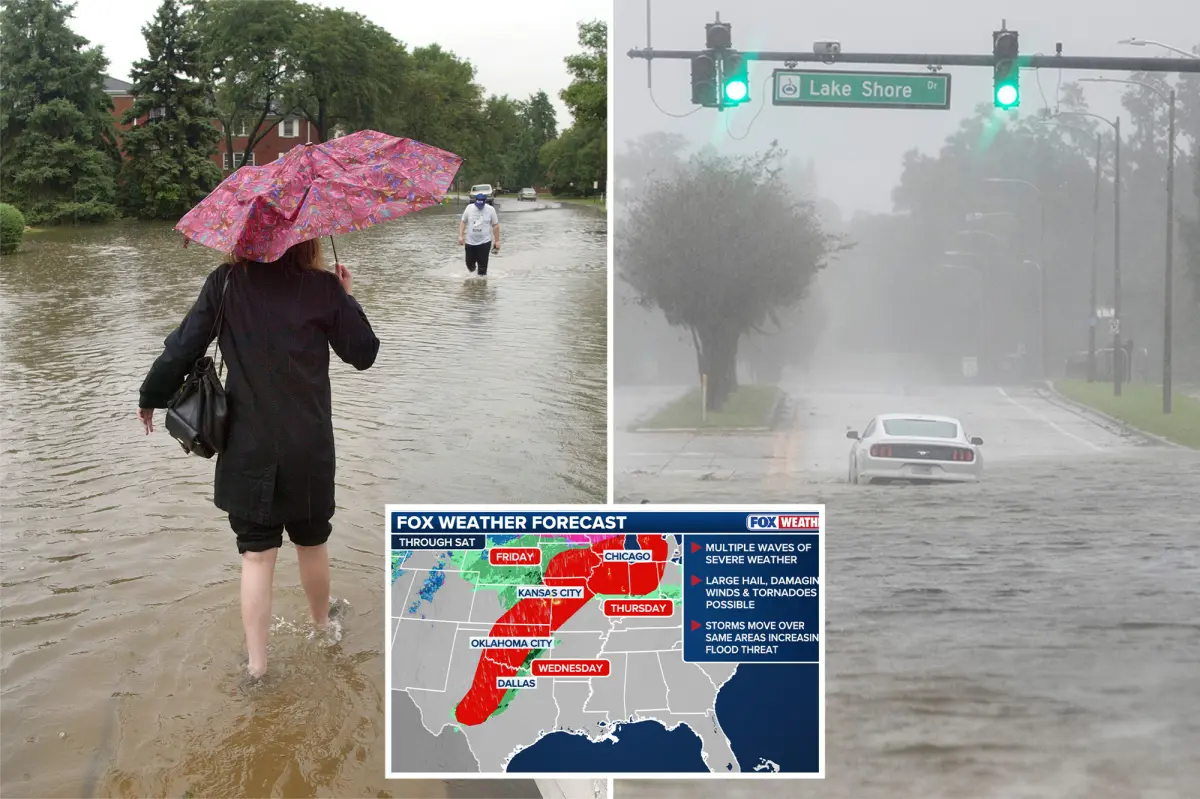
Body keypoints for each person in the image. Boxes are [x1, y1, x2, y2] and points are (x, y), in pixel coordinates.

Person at [136, 238, 379, 680]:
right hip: (309, 446)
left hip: (247, 447)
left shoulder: (226, 283)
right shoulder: (322, 287)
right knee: (312, 542)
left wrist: (150, 395)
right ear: (304, 236)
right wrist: (346, 296)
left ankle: (257, 667)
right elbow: (363, 353)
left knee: (256, 555)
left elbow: (183, 346)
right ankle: (322, 626)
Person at [458, 192, 500, 275]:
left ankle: (480, 286)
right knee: (469, 264)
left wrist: (497, 241)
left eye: (481, 205)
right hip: (470, 242)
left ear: (485, 202)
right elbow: (463, 222)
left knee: (482, 269)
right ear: (475, 201)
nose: (479, 207)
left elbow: (496, 226)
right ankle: (472, 281)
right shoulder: (469, 208)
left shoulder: (490, 210)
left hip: (485, 242)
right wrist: (461, 235)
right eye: (478, 205)